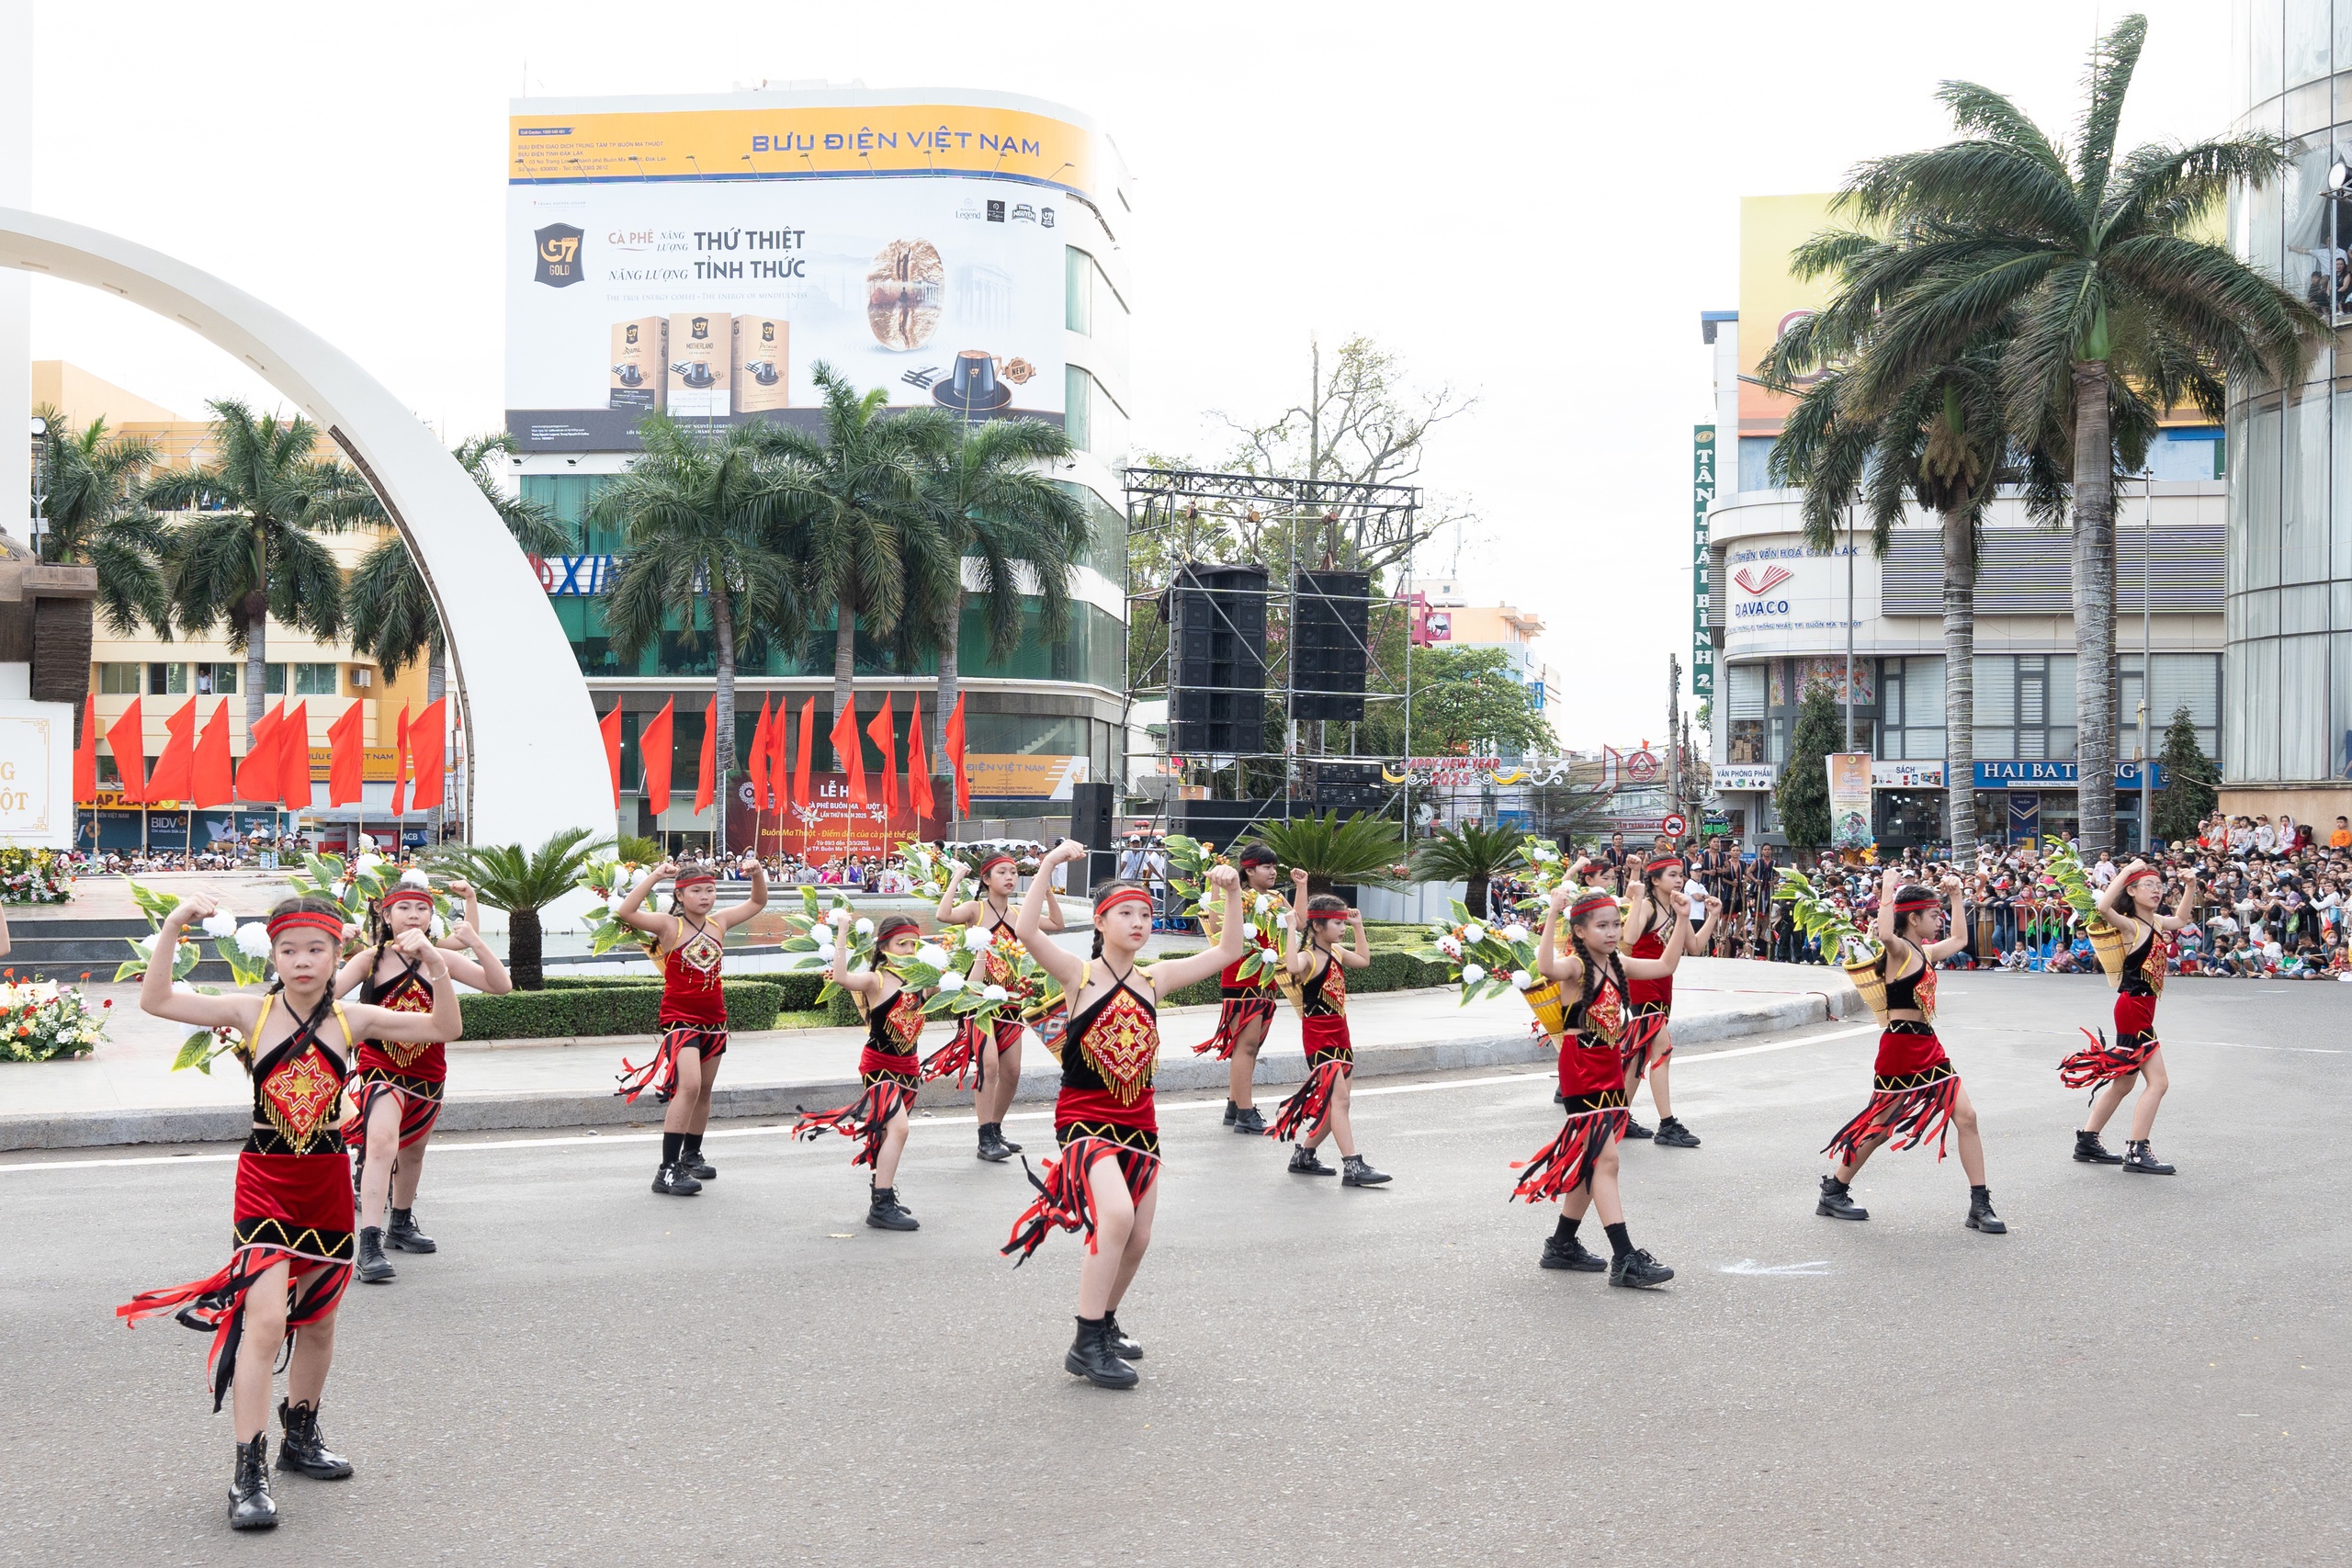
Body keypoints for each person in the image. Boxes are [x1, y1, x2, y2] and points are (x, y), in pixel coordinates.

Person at [119, 894, 459, 1530]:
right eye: (289, 949)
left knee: (321, 1324)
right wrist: (171, 926)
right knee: (267, 1320)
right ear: (273, 955)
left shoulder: (353, 1017)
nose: (302, 960)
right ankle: (248, 1471)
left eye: (316, 948)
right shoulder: (251, 1010)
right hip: (266, 1183)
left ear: (337, 956)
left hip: (327, 1182)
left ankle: (300, 1434)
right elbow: (156, 999)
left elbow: (445, 1029)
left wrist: (435, 962)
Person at [1000, 842, 1243, 1389]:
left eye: (1146, 913)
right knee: (1116, 1217)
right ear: (1102, 921)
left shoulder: (1155, 979)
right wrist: (1048, 866)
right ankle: (1086, 1342)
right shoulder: (1077, 976)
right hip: (1084, 1118)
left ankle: (1104, 1324)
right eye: (1126, 913)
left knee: (1138, 1238)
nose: (1139, 922)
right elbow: (1027, 932)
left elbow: (1229, 950)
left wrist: (1231, 893)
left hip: (1141, 1123)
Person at [338, 875, 511, 1285]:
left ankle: (400, 1223)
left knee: (413, 1153)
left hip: (428, 1071)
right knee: (381, 1147)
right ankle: (369, 1243)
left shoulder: (442, 959)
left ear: (432, 916)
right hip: (380, 1067)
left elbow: (500, 986)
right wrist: (334, 946)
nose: (414, 915)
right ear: (386, 914)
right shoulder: (370, 960)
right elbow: (325, 996)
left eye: (422, 909)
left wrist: (476, 941)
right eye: (404, 908)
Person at [1519, 863, 1687, 1288]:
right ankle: (1626, 1258)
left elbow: (1666, 965)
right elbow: (1546, 967)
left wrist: (1683, 919)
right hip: (1581, 1066)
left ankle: (1561, 1245)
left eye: (1616, 924)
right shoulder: (1575, 968)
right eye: (1602, 926)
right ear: (1580, 931)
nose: (1612, 932)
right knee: (1606, 1160)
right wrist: (1554, 913)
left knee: (1594, 1161)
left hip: (1609, 1063)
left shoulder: (1620, 963)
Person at [1815, 868, 2007, 1235]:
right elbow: (1885, 933)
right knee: (1881, 1128)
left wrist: (1955, 894)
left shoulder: (1927, 950)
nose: (1940, 921)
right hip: (1900, 1048)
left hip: (1928, 1045)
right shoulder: (1900, 950)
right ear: (1914, 918)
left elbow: (1961, 940)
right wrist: (1888, 888)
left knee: (1966, 1116)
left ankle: (1979, 1204)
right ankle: (1835, 1189)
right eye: (1934, 915)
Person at [611, 854, 768, 1195]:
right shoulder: (670, 927)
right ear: (680, 896)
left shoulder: (720, 923)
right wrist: (654, 876)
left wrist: (757, 873)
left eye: (710, 890)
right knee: (690, 1086)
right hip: (680, 1019)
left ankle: (691, 1155)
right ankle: (666, 1171)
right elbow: (626, 912)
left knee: (705, 1090)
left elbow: (758, 901)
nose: (705, 897)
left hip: (715, 1019)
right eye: (697, 891)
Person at [793, 912, 931, 1230]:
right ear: (884, 947)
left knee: (886, 1135)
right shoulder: (875, 980)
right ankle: (881, 1204)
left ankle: (881, 1197)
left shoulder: (925, 982)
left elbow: (963, 988)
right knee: (900, 1129)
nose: (909, 950)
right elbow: (841, 977)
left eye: (914, 944)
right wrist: (842, 931)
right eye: (902, 943)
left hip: (909, 1068)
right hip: (879, 1066)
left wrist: (980, 949)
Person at [2060, 860, 2199, 1174]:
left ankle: (2087, 1141)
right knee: (2159, 1083)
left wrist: (2190, 887)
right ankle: (2137, 1150)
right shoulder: (2131, 925)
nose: (2156, 890)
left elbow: (2181, 918)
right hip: (2134, 1008)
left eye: (2159, 886)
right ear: (2132, 891)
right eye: (2148, 885)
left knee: (2124, 1084)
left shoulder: (2157, 923)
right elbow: (2105, 906)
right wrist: (2125, 871)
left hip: (2138, 1007)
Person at [933, 850, 1064, 1161]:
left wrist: (1046, 891)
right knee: (988, 1065)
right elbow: (943, 915)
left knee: (1013, 1071)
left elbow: (1057, 924)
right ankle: (984, 1139)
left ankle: (995, 1129)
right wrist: (956, 878)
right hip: (977, 1001)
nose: (1009, 877)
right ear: (987, 879)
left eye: (1013, 872)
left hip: (1010, 1002)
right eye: (1002, 872)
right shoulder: (974, 910)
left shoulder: (1020, 914)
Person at [1263, 871, 1389, 1185]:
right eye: (1338, 923)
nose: (1343, 928)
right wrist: (1292, 928)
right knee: (1341, 1102)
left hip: (1341, 1033)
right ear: (1318, 925)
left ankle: (1304, 1156)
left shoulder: (1334, 952)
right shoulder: (1307, 957)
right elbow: (1290, 968)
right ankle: (1353, 1166)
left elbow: (1363, 960)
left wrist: (1360, 927)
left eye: (1344, 923)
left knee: (1337, 1106)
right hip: (1319, 1036)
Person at [1616, 852, 1718, 1146]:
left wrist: (1712, 917)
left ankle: (1618, 1116)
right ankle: (1667, 1124)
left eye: (1680, 874)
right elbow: (1630, 938)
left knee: (1640, 1055)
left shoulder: (1677, 907)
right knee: (1661, 1047)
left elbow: (1696, 946)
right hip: (1641, 983)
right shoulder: (1647, 905)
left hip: (1664, 986)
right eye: (1672, 874)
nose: (1679, 879)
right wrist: (1635, 899)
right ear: (1655, 879)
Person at [1193, 843, 1287, 1133]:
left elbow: (1301, 924)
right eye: (1266, 867)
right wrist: (1219, 886)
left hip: (1267, 978)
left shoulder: (1275, 898)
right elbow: (1217, 925)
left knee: (1250, 1047)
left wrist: (1303, 885)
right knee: (1244, 1047)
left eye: (1274, 866)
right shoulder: (1239, 896)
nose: (1272, 872)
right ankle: (1245, 1114)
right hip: (1242, 979)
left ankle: (1235, 1107)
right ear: (1249, 870)